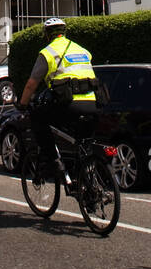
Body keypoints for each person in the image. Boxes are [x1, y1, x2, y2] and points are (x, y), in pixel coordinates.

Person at [18, 18, 97, 172]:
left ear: (47, 35)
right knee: (83, 143)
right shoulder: (82, 50)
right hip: (94, 103)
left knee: (38, 119)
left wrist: (22, 105)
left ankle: (54, 160)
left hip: (69, 104)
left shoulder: (48, 53)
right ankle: (86, 178)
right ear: (64, 32)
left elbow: (31, 84)